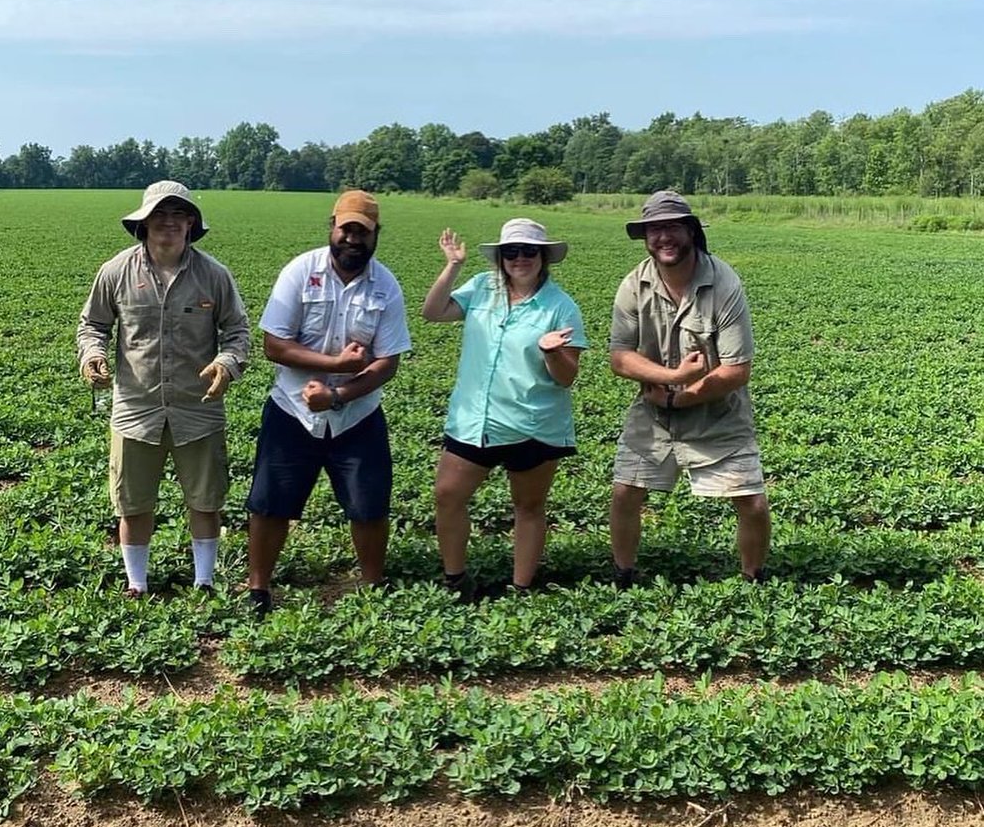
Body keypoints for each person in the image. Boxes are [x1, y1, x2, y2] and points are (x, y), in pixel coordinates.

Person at [77, 180, 250, 595]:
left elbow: (237, 330)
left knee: (206, 501)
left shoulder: (214, 275)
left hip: (198, 408)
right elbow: (93, 325)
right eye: (160, 215)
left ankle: (204, 582)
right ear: (144, 222)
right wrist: (91, 355)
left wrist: (228, 363)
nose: (169, 223)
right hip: (136, 409)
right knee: (133, 503)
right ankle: (137, 584)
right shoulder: (116, 271)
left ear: (191, 223)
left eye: (178, 215)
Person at [245, 190, 411, 615]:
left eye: (363, 232)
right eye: (347, 229)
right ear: (333, 228)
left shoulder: (386, 286)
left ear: (376, 235)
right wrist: (334, 363)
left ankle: (374, 585)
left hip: (358, 415)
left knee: (369, 505)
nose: (353, 239)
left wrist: (337, 394)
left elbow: (387, 362)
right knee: (269, 503)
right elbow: (274, 345)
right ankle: (258, 588)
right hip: (292, 411)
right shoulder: (301, 272)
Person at [608, 190, 770, 587]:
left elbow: (736, 370)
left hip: (718, 412)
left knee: (752, 502)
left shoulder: (724, 283)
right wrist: (672, 381)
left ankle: (754, 579)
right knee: (624, 493)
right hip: (653, 411)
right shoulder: (634, 284)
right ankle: (622, 574)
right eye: (655, 229)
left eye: (673, 228)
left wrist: (683, 396)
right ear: (645, 236)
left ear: (692, 232)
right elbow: (620, 357)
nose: (664, 237)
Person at [422, 217, 587, 596]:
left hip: (534, 424)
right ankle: (455, 579)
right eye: (511, 252)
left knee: (528, 506)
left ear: (544, 257)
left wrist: (553, 352)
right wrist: (452, 266)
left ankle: (521, 587)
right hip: (474, 418)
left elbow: (567, 377)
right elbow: (433, 312)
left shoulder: (561, 307)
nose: (520, 259)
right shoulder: (482, 288)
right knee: (448, 495)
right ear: (500, 258)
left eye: (529, 251)